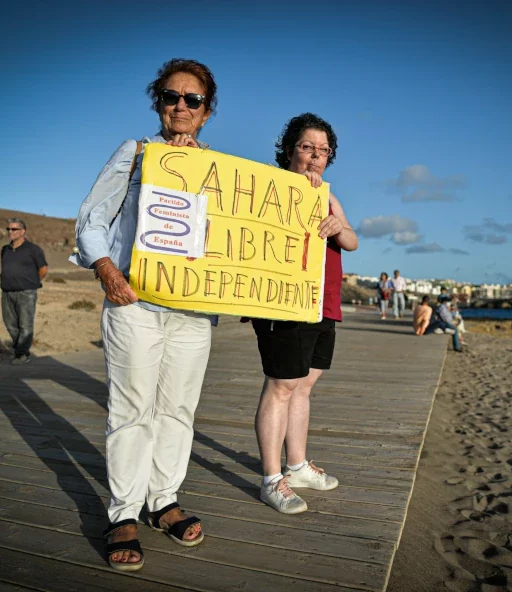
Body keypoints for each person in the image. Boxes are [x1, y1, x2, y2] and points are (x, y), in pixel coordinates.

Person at [70, 58, 218, 571]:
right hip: (134, 299)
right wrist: (107, 270)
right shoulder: (135, 154)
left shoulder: (223, 172)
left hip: (194, 310)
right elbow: (91, 218)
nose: (181, 106)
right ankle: (124, 511)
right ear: (158, 102)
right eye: (171, 97)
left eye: (192, 100)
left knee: (178, 407)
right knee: (131, 406)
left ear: (205, 112)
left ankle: (164, 500)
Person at [251, 113, 358, 514]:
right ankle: (271, 478)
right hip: (283, 300)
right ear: (290, 150)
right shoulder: (270, 186)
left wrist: (337, 224)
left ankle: (296, 465)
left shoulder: (329, 194)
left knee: (305, 385)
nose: (315, 157)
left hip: (323, 301)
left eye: (323, 151)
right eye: (307, 147)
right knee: (281, 385)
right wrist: (296, 191)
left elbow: (352, 241)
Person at [1, 218, 48, 365]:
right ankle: (19, 350)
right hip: (7, 292)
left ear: (23, 231)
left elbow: (43, 269)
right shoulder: (5, 250)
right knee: (10, 324)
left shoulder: (33, 249)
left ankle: (22, 354)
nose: (10, 232)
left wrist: (31, 283)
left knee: (25, 325)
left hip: (26, 293)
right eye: (8, 229)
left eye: (14, 229)